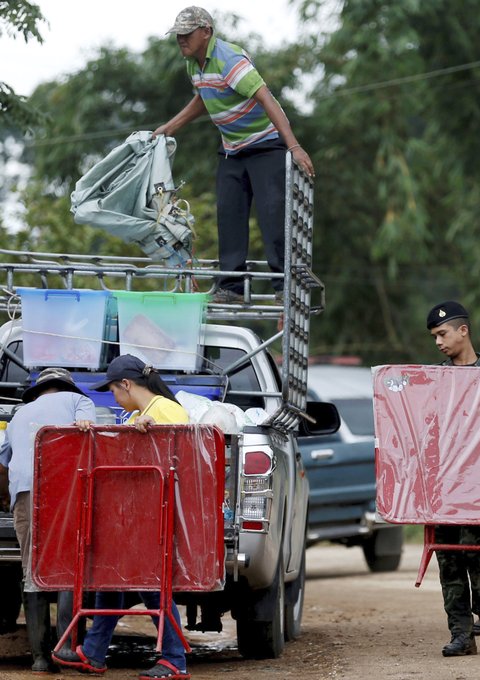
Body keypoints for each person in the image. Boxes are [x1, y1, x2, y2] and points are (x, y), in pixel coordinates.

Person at [152, 6, 315, 303]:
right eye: (178, 35)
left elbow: (267, 99)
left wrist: (292, 146)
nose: (181, 40)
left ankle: (284, 287)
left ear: (206, 32)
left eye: (187, 34)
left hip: (266, 145)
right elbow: (204, 96)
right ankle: (232, 288)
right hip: (232, 150)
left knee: (272, 214)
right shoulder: (194, 64)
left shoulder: (229, 60)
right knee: (229, 214)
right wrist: (171, 126)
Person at [55, 355, 192, 680]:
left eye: (114, 391)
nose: (114, 398)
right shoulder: (141, 414)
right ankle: (93, 653)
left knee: (149, 583)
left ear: (126, 385)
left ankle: (175, 660)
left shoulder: (164, 412)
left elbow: (175, 456)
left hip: (153, 515)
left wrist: (148, 429)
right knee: (112, 577)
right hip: (138, 515)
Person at [0, 368, 96, 674]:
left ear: (39, 391)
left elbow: (4, 460)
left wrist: (8, 498)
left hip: (26, 493)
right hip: (63, 491)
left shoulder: (18, 415)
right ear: (67, 387)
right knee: (67, 567)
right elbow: (93, 435)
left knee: (33, 568)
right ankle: (64, 648)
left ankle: (39, 658)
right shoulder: (78, 402)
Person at [426, 301, 480, 657]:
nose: (439, 342)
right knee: (449, 559)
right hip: (443, 485)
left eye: (443, 334)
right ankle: (460, 634)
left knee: (479, 554)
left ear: (464, 331)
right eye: (434, 337)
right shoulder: (434, 381)